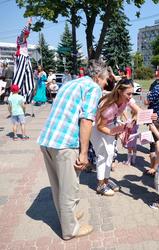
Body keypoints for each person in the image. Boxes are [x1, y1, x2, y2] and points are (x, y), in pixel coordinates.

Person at [37, 59, 108, 240]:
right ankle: (70, 230)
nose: (106, 82)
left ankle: (68, 218)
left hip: (48, 139)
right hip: (65, 143)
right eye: (105, 78)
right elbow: (86, 120)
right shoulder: (93, 88)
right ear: (98, 77)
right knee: (69, 188)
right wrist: (84, 153)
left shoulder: (71, 83)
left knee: (58, 186)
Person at [90, 78, 157, 196]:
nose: (131, 96)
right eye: (129, 93)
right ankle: (101, 185)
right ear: (120, 91)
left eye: (132, 93)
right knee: (102, 155)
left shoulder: (126, 100)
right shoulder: (109, 106)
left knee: (110, 154)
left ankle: (106, 180)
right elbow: (100, 126)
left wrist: (148, 116)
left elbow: (139, 112)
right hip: (99, 129)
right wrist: (117, 132)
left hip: (111, 127)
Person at [13, 18, 35, 103]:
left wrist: (29, 26)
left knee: (29, 73)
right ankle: (15, 91)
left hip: (26, 57)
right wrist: (28, 24)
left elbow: (27, 32)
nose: (27, 36)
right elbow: (23, 32)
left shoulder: (24, 39)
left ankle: (28, 91)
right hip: (21, 56)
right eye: (27, 35)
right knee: (20, 74)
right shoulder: (20, 39)